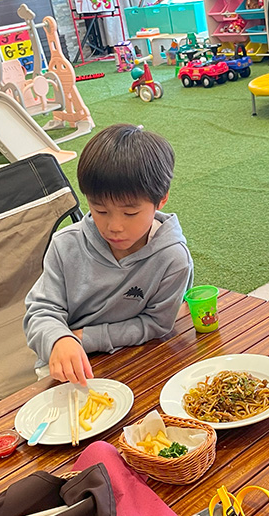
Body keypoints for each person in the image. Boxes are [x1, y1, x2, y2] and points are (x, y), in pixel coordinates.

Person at [24, 123, 194, 385]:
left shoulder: (172, 258)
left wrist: (88, 337)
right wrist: (60, 339)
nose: (114, 226)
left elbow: (157, 324)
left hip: (137, 355)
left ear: (161, 200)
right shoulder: (65, 245)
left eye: (130, 213)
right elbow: (41, 310)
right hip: (67, 362)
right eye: (100, 210)